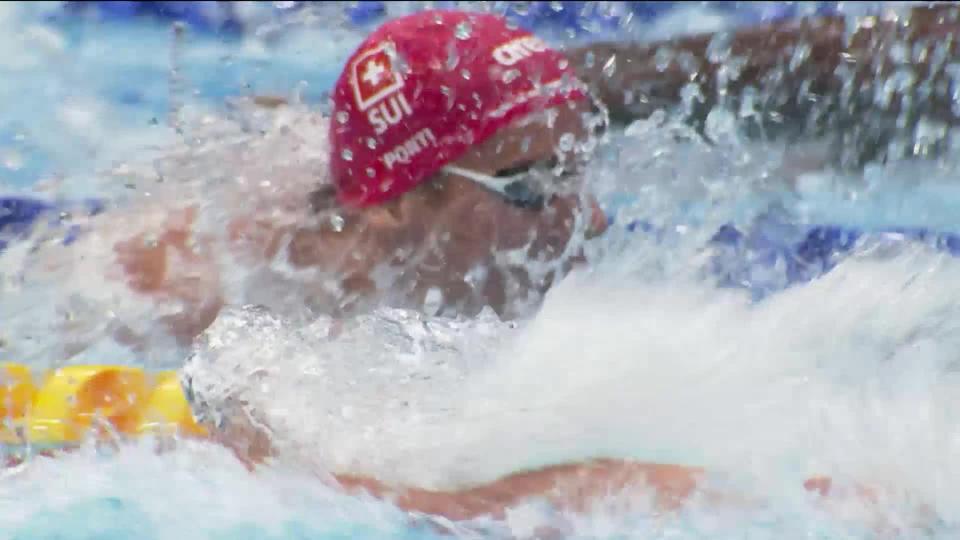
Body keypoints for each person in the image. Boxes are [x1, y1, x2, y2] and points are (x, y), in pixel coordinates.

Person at [6, 3, 959, 525]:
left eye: (583, 170)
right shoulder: (224, 296)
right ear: (398, 203)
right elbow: (353, 499)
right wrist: (640, 487)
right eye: (533, 186)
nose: (585, 217)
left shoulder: (464, 232)